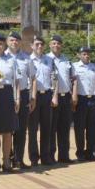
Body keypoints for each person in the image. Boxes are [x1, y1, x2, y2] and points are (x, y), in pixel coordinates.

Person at [0, 33, 19, 173]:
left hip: (7, 94)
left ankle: (6, 162)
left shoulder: (11, 60)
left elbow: (16, 81)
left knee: (7, 132)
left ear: (4, 45)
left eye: (0, 44)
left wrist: (17, 98)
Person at [7, 32, 36, 169]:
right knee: (6, 129)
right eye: (12, 40)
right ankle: (7, 158)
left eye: (17, 40)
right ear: (7, 41)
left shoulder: (26, 58)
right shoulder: (1, 57)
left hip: (23, 95)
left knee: (21, 129)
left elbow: (33, 78)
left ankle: (19, 159)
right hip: (5, 96)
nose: (14, 42)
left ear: (20, 42)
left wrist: (33, 98)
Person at [28, 36, 54, 167]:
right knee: (32, 129)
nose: (39, 46)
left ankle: (45, 156)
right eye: (37, 44)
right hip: (34, 97)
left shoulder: (49, 60)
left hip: (47, 95)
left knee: (46, 128)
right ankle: (33, 157)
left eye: (41, 44)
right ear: (31, 45)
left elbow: (54, 77)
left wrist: (54, 95)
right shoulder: (28, 60)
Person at [48, 35, 73, 163]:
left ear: (61, 45)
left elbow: (72, 78)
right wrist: (53, 96)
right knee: (52, 128)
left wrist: (72, 95)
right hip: (53, 98)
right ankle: (51, 156)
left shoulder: (66, 60)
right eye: (54, 43)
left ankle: (64, 156)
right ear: (50, 45)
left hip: (65, 97)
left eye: (58, 43)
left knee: (64, 128)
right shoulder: (47, 59)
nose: (56, 45)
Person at [72, 47, 95, 161]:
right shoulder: (74, 67)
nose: (86, 56)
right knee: (79, 128)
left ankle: (90, 152)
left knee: (92, 128)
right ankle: (80, 153)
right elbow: (72, 83)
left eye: (88, 54)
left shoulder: (94, 67)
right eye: (84, 54)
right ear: (79, 55)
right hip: (80, 100)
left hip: (92, 99)